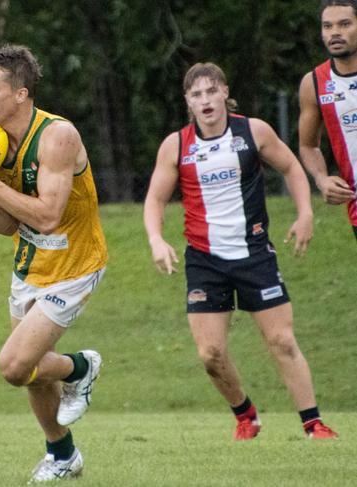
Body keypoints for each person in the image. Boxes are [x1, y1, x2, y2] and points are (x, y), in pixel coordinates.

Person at [143, 62, 337, 440]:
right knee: (210, 355)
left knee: (282, 340)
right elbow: (154, 199)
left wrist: (306, 213)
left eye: (211, 91)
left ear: (224, 93)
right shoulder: (177, 145)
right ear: (188, 102)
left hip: (254, 254)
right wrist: (156, 239)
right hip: (204, 260)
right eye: (196, 94)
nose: (205, 100)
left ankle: (314, 424)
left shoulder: (253, 131)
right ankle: (246, 414)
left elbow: (293, 169)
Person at [0, 44, 107, 482]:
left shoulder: (57, 136)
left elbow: (50, 217)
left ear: (21, 94)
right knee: (32, 373)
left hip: (74, 264)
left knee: (14, 366)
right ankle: (62, 453)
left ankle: (81, 367)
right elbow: (12, 223)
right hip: (30, 263)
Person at [299, 0, 357, 240]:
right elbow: (308, 145)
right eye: (327, 26)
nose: (335, 32)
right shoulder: (314, 83)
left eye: (344, 24)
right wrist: (322, 179)